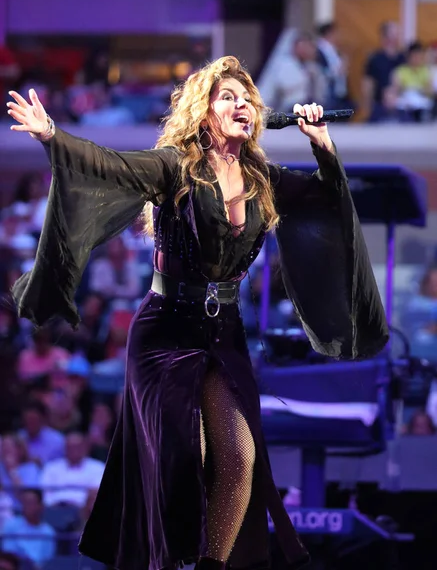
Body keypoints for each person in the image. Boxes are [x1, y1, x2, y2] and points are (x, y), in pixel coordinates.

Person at [7, 55, 388, 570]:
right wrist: (52, 133)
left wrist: (322, 145)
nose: (240, 104)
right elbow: (109, 165)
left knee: (239, 461)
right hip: (165, 331)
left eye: (246, 98)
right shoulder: (175, 166)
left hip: (222, 332)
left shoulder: (262, 177)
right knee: (186, 455)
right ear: (204, 111)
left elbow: (330, 201)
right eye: (226, 96)